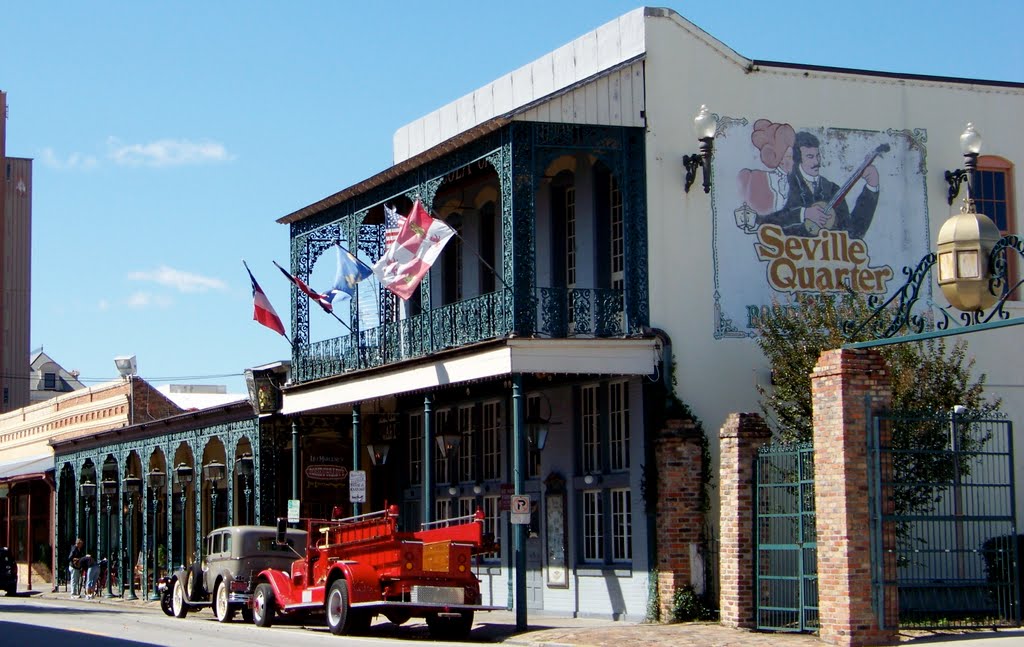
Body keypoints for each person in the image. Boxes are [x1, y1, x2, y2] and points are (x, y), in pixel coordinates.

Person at [756, 130, 879, 239]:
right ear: (798, 159)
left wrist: (871, 188)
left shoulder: (831, 189)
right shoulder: (783, 184)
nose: (816, 162)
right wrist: (804, 214)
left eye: (817, 156)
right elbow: (764, 223)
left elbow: (852, 234)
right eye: (810, 156)